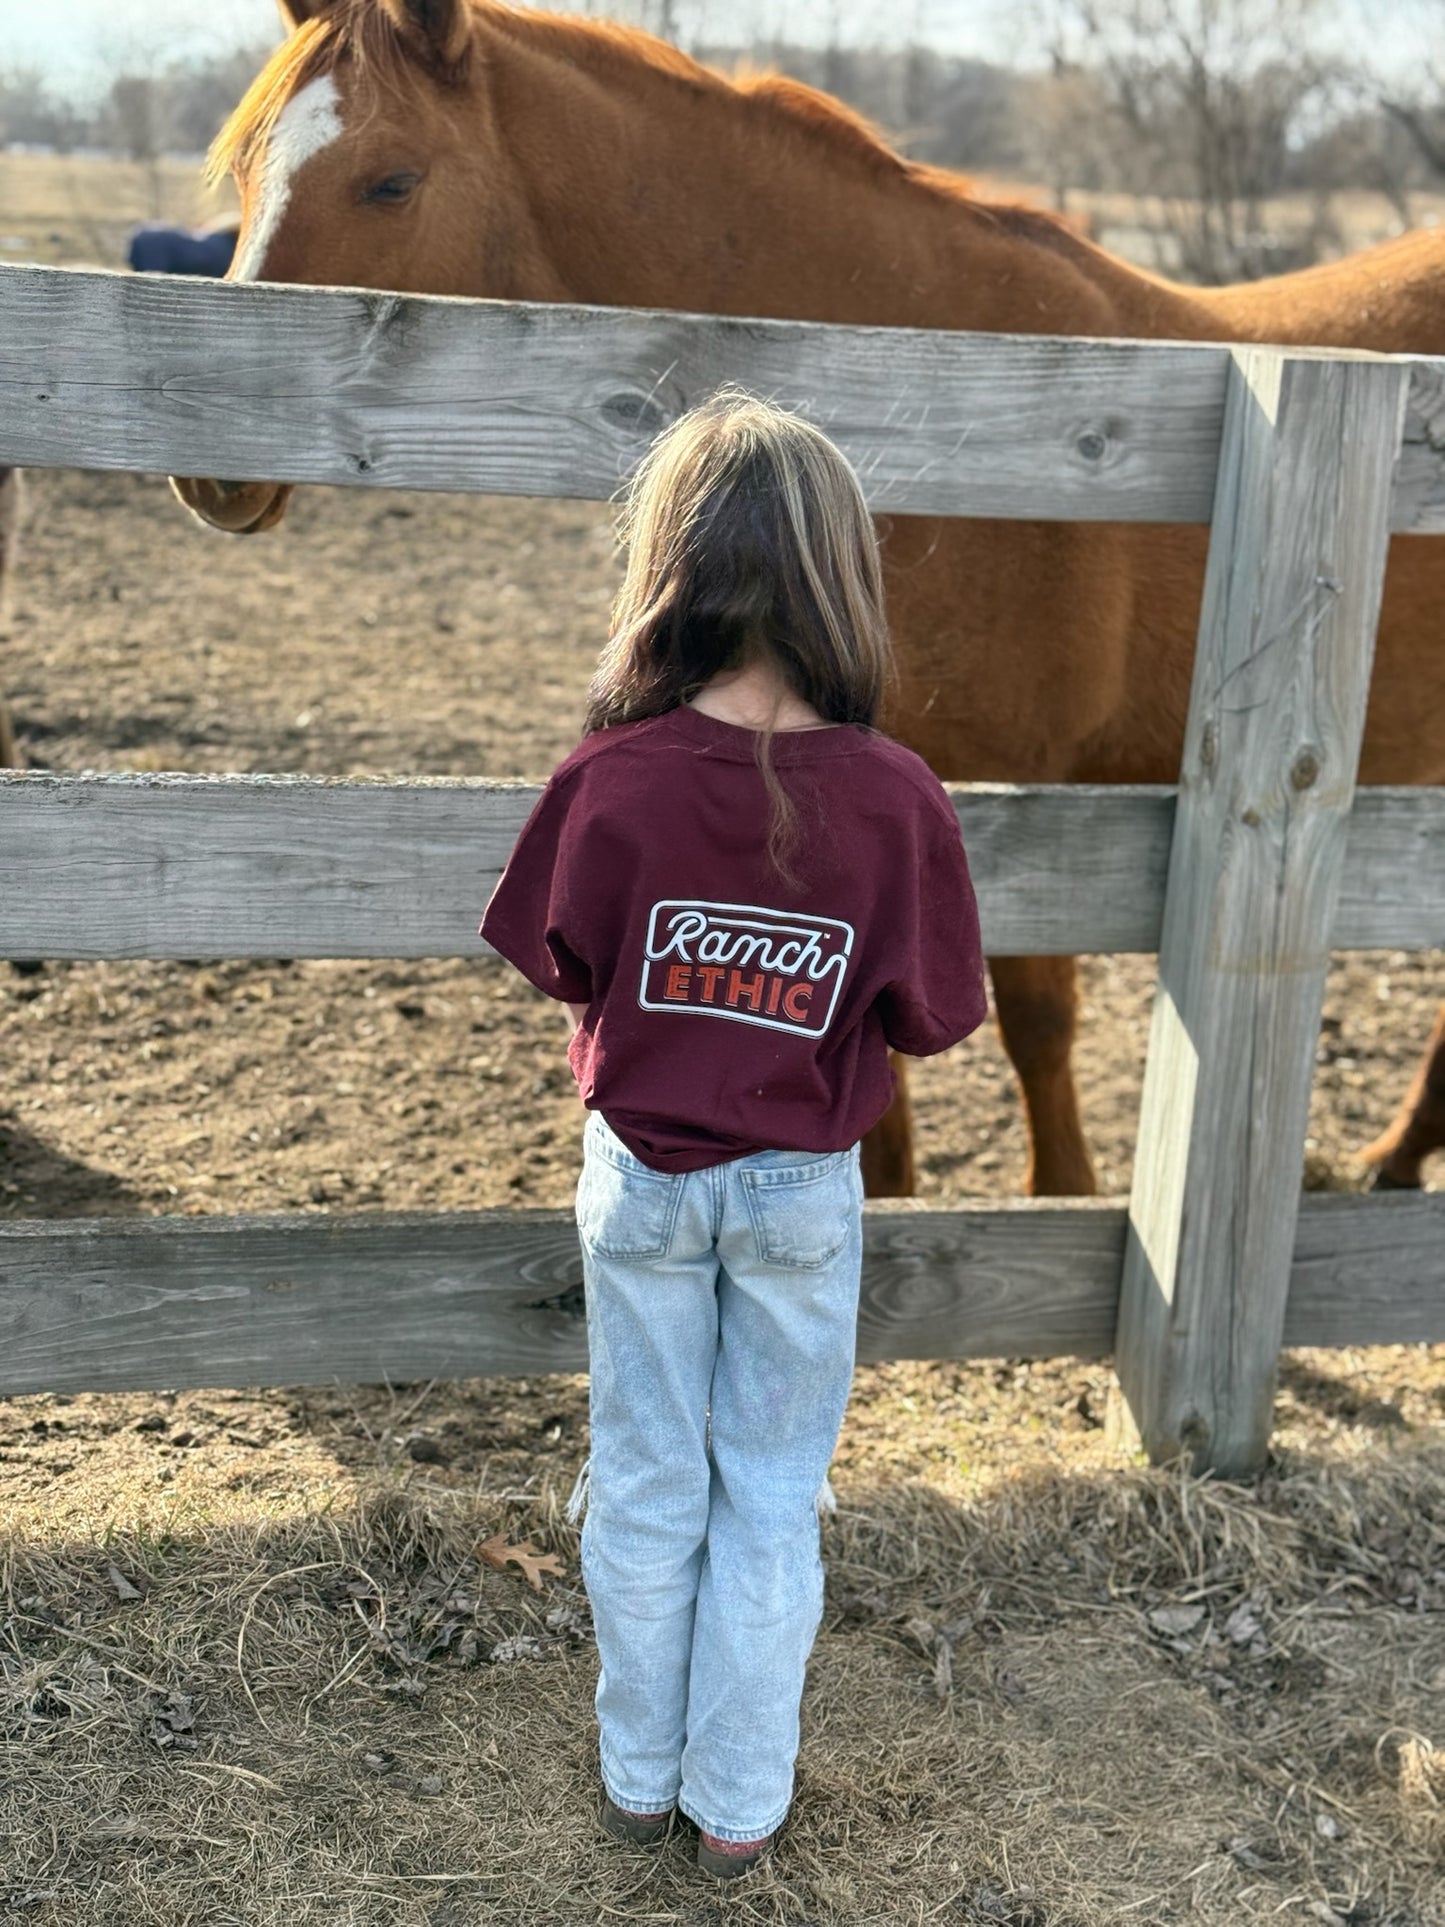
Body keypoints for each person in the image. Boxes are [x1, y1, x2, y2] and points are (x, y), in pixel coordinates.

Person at [479, 389, 986, 1880]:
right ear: (843, 577)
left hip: (640, 1179)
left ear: (666, 568)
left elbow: (560, 959)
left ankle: (638, 1778)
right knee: (768, 1497)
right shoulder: (896, 801)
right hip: (797, 1194)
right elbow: (930, 1013)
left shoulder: (605, 780)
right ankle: (737, 1810)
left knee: (644, 1480)